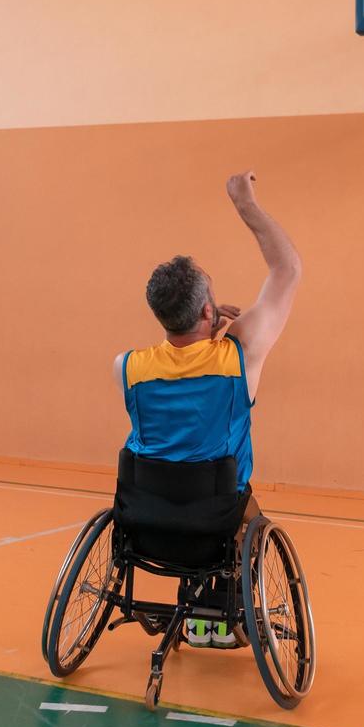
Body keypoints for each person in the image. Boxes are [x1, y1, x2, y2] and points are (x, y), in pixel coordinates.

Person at [113, 170, 302, 647]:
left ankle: (194, 609)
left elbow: (176, 358)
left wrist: (203, 321)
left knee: (181, 468)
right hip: (215, 519)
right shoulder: (239, 355)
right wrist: (246, 205)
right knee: (242, 505)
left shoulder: (127, 368)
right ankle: (217, 613)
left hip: (146, 520)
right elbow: (288, 270)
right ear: (205, 313)